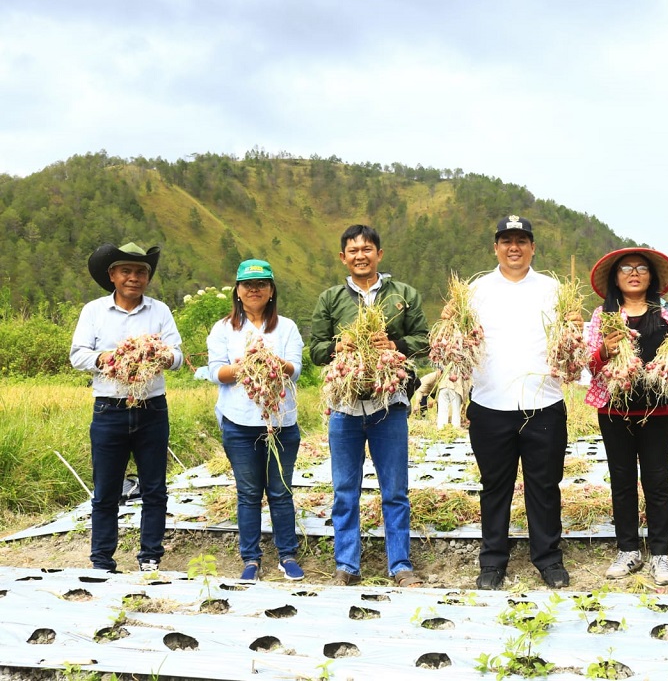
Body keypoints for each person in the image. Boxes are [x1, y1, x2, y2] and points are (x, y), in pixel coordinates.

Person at [310, 224, 428, 587]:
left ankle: (400, 566)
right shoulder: (331, 298)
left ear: (379, 254)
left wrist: (393, 346)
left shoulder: (403, 294)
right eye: (353, 250)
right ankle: (347, 565)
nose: (360, 256)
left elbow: (424, 340)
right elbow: (315, 350)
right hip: (344, 408)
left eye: (367, 249)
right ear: (343, 257)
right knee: (345, 491)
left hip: (389, 405)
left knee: (395, 491)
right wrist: (338, 348)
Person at [464, 215, 572, 590]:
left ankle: (548, 559)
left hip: (544, 404)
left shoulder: (554, 290)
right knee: (495, 487)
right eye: (507, 241)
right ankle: (493, 561)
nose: (514, 248)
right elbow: (460, 340)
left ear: (532, 247)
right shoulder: (475, 290)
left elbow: (569, 340)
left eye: (521, 241)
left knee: (545, 486)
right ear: (495, 247)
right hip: (490, 404)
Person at [70, 242, 183, 572]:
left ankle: (150, 557)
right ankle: (102, 560)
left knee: (155, 489)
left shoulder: (160, 311)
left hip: (152, 409)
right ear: (112, 275)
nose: (134, 277)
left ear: (147, 277)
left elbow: (177, 355)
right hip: (110, 409)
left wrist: (160, 356)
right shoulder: (94, 311)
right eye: (126, 271)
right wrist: (107, 358)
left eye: (141, 272)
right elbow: (78, 355)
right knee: (106, 491)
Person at [584, 247, 668, 585]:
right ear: (616, 278)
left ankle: (660, 554)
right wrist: (605, 350)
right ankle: (628, 550)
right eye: (626, 268)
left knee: (657, 481)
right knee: (622, 480)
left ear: (651, 277)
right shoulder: (604, 315)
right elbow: (590, 363)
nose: (634, 273)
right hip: (614, 408)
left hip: (657, 409)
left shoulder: (667, 312)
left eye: (641, 268)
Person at [206, 259, 305, 581]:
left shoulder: (286, 327)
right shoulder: (224, 328)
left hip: (280, 424)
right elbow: (216, 372)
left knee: (280, 491)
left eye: (261, 284)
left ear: (271, 290)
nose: (254, 289)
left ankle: (287, 555)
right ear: (237, 290)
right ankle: (251, 559)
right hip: (239, 424)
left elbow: (295, 370)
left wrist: (274, 364)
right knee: (249, 493)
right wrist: (245, 367)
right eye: (248, 284)